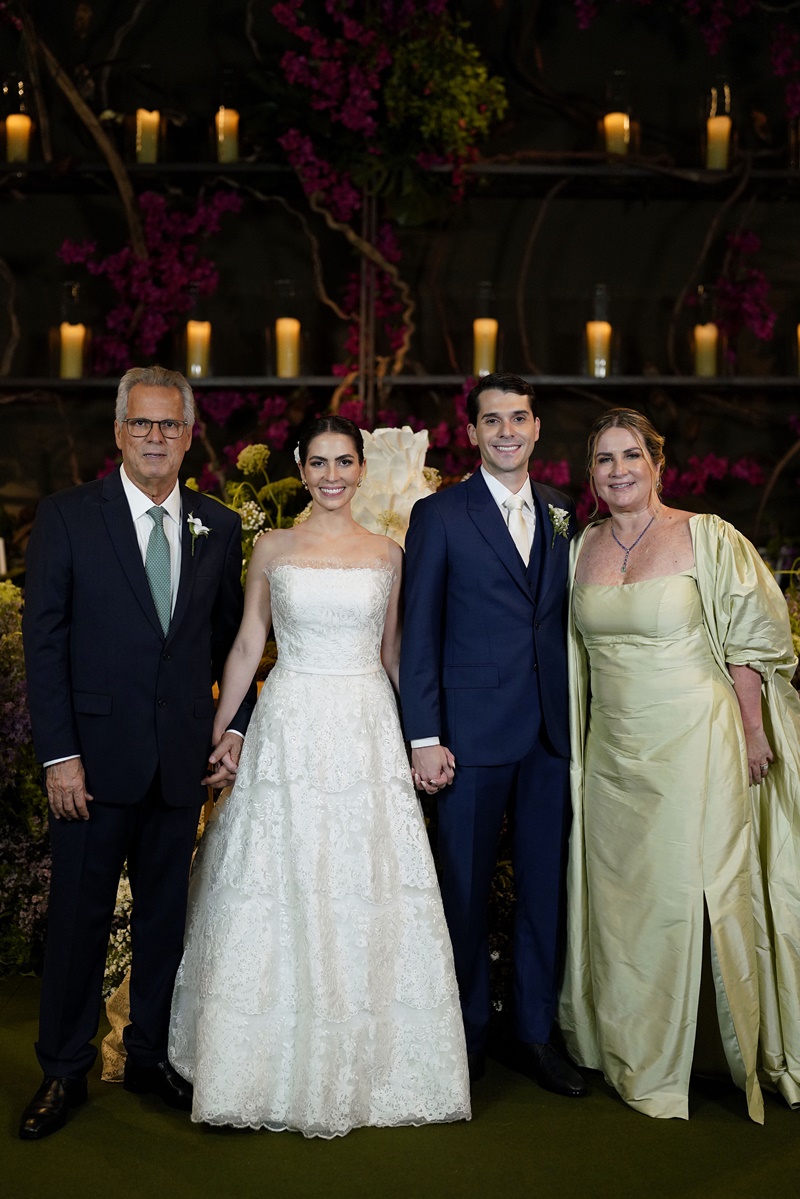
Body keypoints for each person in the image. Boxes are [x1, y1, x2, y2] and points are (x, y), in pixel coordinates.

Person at [168, 415, 471, 1137]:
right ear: (300, 470)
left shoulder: (389, 552)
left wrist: (419, 738)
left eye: (344, 461)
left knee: (365, 880)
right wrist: (221, 734)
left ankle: (377, 1063)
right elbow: (247, 644)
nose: (331, 475)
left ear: (362, 468)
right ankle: (258, 1060)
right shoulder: (271, 545)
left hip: (365, 722)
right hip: (292, 718)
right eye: (318, 462)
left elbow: (396, 654)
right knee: (281, 879)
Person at [19, 365, 254, 1140]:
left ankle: (149, 1056)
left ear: (189, 435)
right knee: (80, 924)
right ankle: (62, 1068)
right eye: (142, 424)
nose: (156, 437)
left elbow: (236, 645)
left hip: (181, 761)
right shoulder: (67, 517)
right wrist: (59, 754)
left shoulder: (218, 525)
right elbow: (43, 643)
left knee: (164, 925)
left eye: (170, 425)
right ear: (119, 432)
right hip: (89, 763)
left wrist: (232, 725)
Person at [559, 407, 800, 1122]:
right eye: (604, 459)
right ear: (592, 473)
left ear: (657, 463)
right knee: (627, 899)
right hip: (611, 751)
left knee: (694, 890)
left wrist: (753, 728)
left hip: (697, 737)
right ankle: (638, 1049)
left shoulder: (708, 536)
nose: (618, 470)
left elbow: (750, 638)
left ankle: (715, 1049)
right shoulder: (582, 547)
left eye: (631, 455)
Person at [399, 372, 586, 1097]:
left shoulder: (566, 511)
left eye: (519, 418)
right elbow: (420, 635)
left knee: (546, 892)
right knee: (464, 896)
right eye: (492, 420)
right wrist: (424, 734)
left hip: (549, 733)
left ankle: (534, 1034)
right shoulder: (439, 514)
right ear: (472, 433)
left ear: (537, 428)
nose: (507, 430)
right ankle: (466, 1037)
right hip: (468, 739)